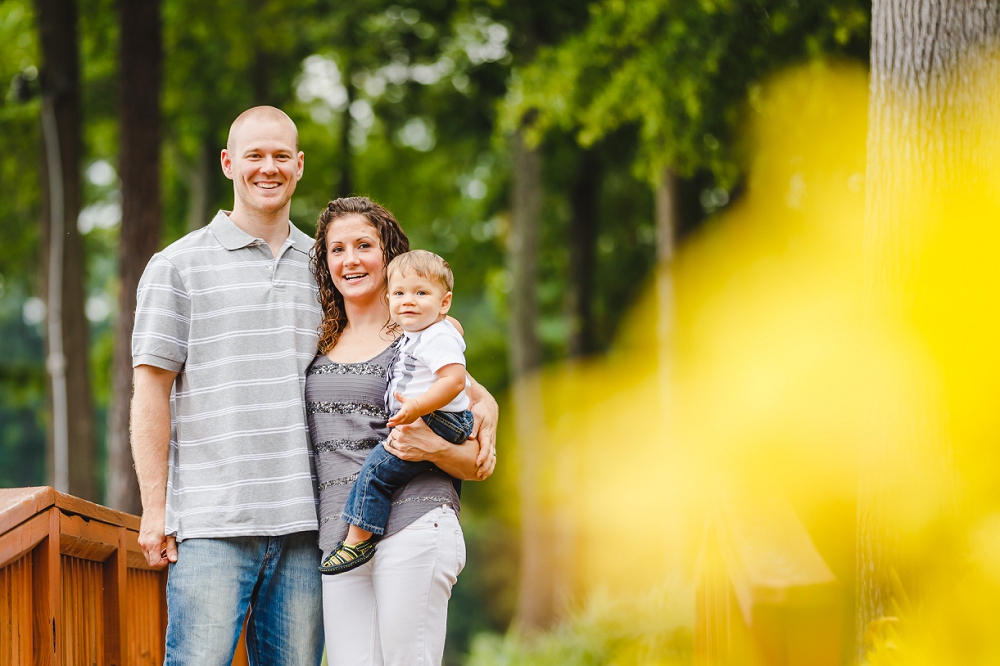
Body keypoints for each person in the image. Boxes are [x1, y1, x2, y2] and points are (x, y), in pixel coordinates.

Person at [131, 106, 324, 664]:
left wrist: (480, 399)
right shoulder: (177, 266)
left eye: (281, 156)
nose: (269, 168)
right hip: (211, 526)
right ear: (228, 163)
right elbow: (150, 394)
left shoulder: (325, 268)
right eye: (255, 155)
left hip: (305, 527)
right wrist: (154, 511)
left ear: (300, 165)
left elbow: (397, 344)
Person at [307, 197, 497, 664]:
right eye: (337, 249)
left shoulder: (421, 338)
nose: (350, 260)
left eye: (364, 245)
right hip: (341, 536)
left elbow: (476, 456)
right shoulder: (317, 338)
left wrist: (437, 441)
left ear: (388, 256)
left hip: (413, 524)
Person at [322, 250, 474, 574]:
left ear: (444, 303)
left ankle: (358, 538)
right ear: (388, 297)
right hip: (435, 416)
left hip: (438, 418)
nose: (409, 301)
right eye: (400, 293)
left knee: (377, 469)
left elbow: (455, 379)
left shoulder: (436, 335)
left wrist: (417, 408)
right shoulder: (420, 332)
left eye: (421, 293)